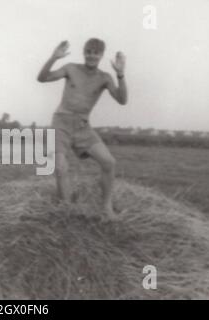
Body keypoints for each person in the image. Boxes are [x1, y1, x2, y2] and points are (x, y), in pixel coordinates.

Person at [37, 38, 128, 220]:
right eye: (88, 51)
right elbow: (42, 78)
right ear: (84, 52)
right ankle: (67, 211)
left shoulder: (104, 78)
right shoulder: (71, 68)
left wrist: (120, 75)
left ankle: (106, 208)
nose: (91, 56)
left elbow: (122, 100)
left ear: (101, 55)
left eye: (95, 52)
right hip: (61, 123)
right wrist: (53, 58)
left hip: (83, 126)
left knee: (109, 162)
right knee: (61, 167)